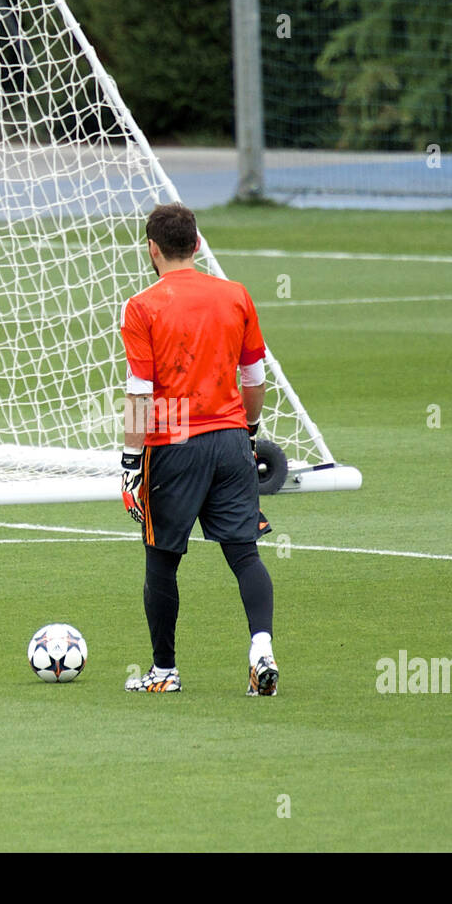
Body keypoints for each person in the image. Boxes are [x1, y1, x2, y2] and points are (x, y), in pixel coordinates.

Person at [119, 202, 276, 695]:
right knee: (244, 554)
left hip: (175, 441)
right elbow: (254, 378)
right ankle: (261, 650)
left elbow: (140, 393)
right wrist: (247, 433)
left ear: (152, 249)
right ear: (198, 243)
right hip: (231, 438)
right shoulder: (235, 295)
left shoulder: (143, 306)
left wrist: (130, 463)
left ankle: (164, 671)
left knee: (161, 559)